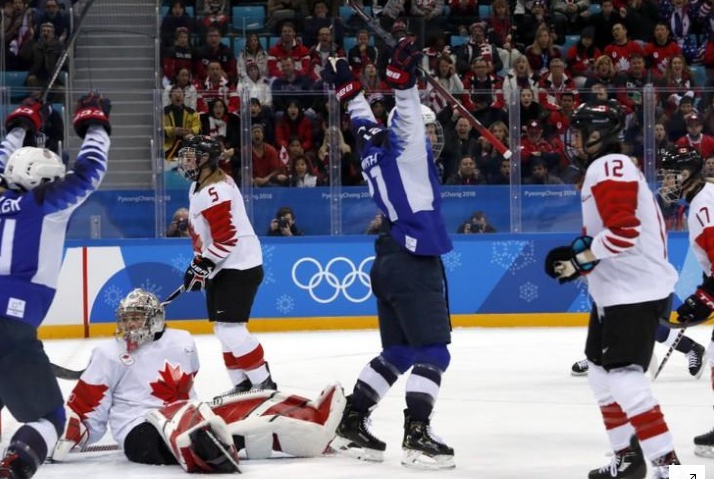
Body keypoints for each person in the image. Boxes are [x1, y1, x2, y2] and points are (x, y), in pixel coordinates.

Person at [0, 92, 111, 479]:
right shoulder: (45, 204)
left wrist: (21, 124)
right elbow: (90, 171)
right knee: (49, 418)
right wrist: (96, 123)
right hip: (5, 332)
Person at [320, 39, 455, 469]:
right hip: (414, 262)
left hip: (388, 259)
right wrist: (403, 79)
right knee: (434, 352)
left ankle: (351, 424)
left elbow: (359, 117)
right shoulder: (409, 152)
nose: (431, 136)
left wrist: (348, 89)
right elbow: (408, 114)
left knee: (398, 353)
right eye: (428, 130)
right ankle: (417, 437)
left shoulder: (371, 149)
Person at [51, 288, 346, 472]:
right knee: (191, 432)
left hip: (187, 415)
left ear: (154, 319)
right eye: (126, 319)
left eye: (136, 318)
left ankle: (309, 415)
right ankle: (212, 449)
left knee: (239, 407)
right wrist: (72, 433)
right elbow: (89, 406)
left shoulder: (182, 342)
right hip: (137, 429)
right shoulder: (108, 353)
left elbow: (188, 386)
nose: (129, 325)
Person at [544, 99, 681, 479]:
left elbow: (623, 233)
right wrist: (584, 258)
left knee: (624, 377)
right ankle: (629, 459)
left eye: (580, 131)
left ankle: (674, 473)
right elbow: (616, 232)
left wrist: (579, 259)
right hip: (616, 290)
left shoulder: (608, 166)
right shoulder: (607, 167)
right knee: (601, 374)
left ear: (598, 135)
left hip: (633, 291)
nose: (573, 139)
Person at [176, 135, 276, 395]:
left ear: (206, 160)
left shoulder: (216, 190)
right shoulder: (200, 186)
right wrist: (200, 263)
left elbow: (226, 238)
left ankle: (263, 384)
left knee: (231, 330)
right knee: (224, 330)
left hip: (239, 265)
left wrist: (202, 265)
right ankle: (242, 385)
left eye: (190, 156)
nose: (185, 161)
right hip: (225, 264)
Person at [655, 146, 714, 458]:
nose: (667, 181)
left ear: (689, 174)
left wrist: (706, 296)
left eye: (671, 174)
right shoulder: (702, 200)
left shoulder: (704, 206)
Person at [570, 324, 706, 378]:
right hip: (615, 279)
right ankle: (599, 356)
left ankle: (691, 348)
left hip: (646, 280)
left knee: (652, 326)